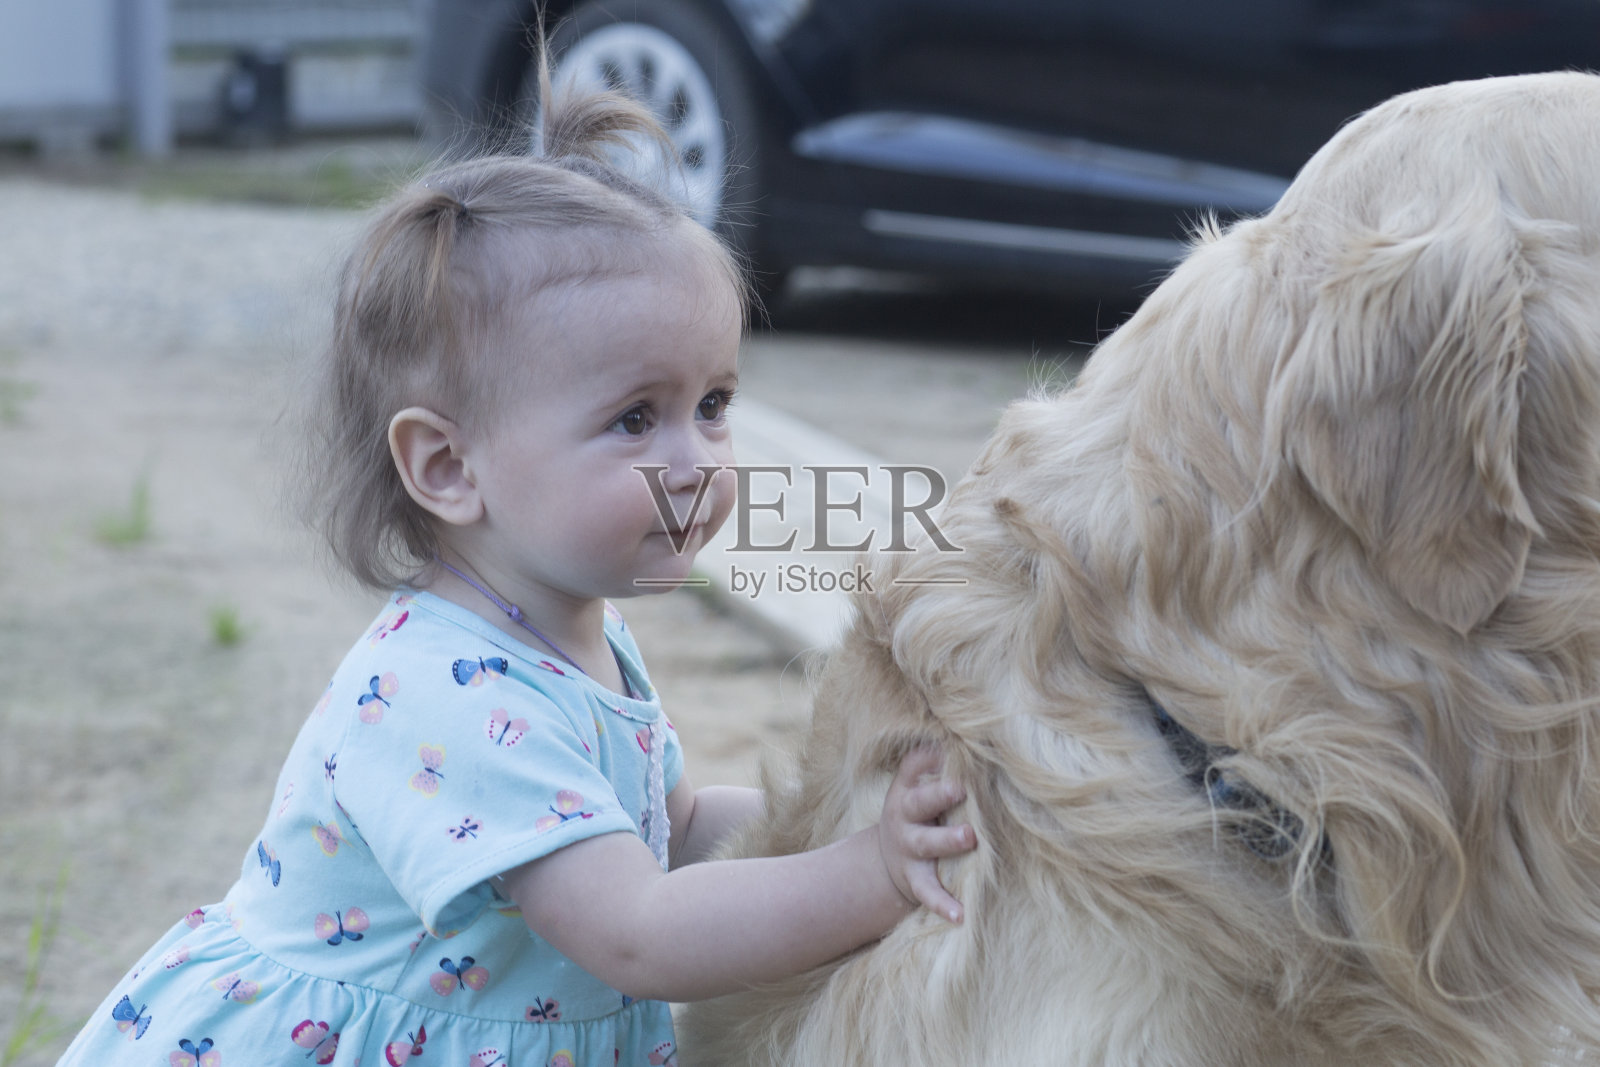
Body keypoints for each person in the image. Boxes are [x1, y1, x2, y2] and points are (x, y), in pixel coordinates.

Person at [56, 61, 975, 1067]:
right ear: (450, 466)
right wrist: (868, 872)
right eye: (635, 417)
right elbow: (639, 930)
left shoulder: (580, 633)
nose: (699, 461)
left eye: (712, 404)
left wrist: (838, 809)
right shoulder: (440, 696)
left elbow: (666, 825)